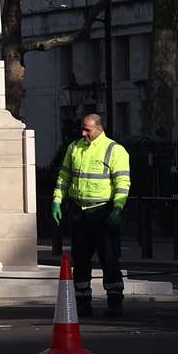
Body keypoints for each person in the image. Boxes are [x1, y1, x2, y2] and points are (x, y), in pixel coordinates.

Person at [51, 113, 130, 317]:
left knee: (109, 259)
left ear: (99, 129)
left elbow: (122, 182)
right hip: (79, 211)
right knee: (81, 260)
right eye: (82, 129)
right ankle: (83, 303)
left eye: (87, 129)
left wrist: (118, 208)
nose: (83, 132)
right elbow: (64, 176)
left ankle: (114, 302)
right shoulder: (74, 148)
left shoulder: (115, 150)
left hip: (103, 211)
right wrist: (57, 200)